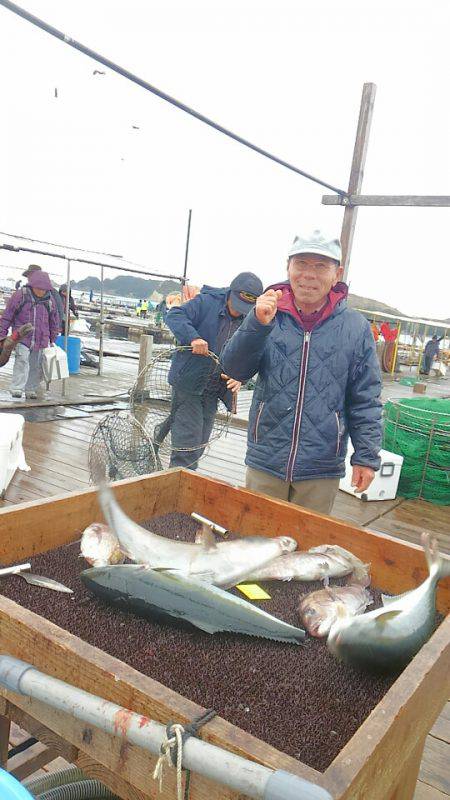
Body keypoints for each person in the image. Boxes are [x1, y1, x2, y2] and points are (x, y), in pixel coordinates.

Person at [222, 231, 383, 515]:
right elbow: (234, 369)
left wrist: (366, 457)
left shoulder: (356, 328)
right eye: (302, 264)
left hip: (321, 467)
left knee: (308, 549)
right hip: (266, 459)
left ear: (337, 273)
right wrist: (257, 324)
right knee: (257, 539)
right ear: (288, 267)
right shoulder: (266, 314)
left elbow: (365, 399)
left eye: (321, 266)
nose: (309, 274)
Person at [161, 272, 263, 469]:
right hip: (188, 382)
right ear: (230, 293)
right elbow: (175, 315)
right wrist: (193, 337)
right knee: (186, 446)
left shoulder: (251, 317)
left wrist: (241, 377)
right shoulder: (207, 302)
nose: (239, 311)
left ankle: (180, 469)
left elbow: (251, 352)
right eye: (237, 304)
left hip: (214, 388)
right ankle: (178, 489)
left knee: (199, 442)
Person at [0, 270, 59, 398]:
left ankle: (30, 389)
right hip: (22, 337)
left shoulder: (50, 300)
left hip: (41, 339)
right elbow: (7, 316)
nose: (41, 291)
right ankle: (17, 388)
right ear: (32, 285)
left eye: (44, 289)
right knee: (21, 360)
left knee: (36, 364)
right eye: (39, 288)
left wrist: (53, 337)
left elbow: (54, 320)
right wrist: (2, 334)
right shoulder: (20, 295)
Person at [22, 265, 64, 332]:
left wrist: (56, 328)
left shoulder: (51, 292)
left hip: (43, 332)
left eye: (30, 275)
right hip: (25, 331)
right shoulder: (24, 291)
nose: (28, 278)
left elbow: (59, 310)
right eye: (28, 276)